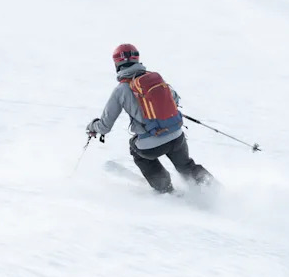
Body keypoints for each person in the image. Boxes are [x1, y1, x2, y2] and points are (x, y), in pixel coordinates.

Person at [86, 44, 214, 193]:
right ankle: (214, 190)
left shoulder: (121, 90)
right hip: (176, 136)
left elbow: (105, 126)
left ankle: (165, 188)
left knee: (136, 149)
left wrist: (92, 127)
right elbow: (175, 98)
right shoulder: (155, 78)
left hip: (151, 145)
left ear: (117, 64)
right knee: (185, 165)